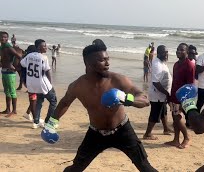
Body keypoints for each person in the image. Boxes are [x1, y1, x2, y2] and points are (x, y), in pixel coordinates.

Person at [41, 41, 157, 172]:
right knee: (75, 168)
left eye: (108, 59)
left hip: (123, 130)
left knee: (145, 167)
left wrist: (126, 99)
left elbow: (144, 99)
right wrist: (51, 123)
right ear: (88, 63)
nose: (108, 63)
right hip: (96, 134)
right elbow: (64, 103)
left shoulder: (117, 80)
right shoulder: (77, 86)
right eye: (102, 60)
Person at [20, 39, 57, 128]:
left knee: (39, 101)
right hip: (42, 84)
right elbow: (47, 71)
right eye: (44, 46)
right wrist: (50, 84)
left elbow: (22, 63)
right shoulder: (43, 57)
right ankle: (47, 121)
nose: (46, 47)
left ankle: (36, 122)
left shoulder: (29, 56)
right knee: (53, 101)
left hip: (32, 85)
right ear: (38, 47)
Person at [165, 43, 195, 149]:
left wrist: (184, 101)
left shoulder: (189, 65)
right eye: (178, 49)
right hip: (173, 95)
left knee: (178, 117)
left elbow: (191, 85)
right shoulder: (176, 64)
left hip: (182, 97)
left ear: (187, 52)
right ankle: (176, 139)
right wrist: (169, 95)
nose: (178, 51)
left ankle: (186, 137)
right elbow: (175, 82)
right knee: (174, 118)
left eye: (182, 50)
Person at [143, 45, 173, 140]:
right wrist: (166, 93)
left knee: (163, 111)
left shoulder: (162, 62)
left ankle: (166, 129)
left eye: (167, 52)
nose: (166, 54)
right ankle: (147, 134)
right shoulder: (157, 64)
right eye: (164, 52)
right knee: (155, 114)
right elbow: (156, 82)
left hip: (162, 94)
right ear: (158, 53)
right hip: (157, 94)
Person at [0, 31, 22, 117]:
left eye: (5, 37)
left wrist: (16, 68)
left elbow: (19, 56)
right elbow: (3, 58)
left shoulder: (8, 47)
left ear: (7, 38)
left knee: (12, 91)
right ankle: (8, 109)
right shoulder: (2, 47)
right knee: (7, 91)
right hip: (4, 71)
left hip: (10, 73)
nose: (3, 38)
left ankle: (14, 110)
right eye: (1, 37)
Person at [21, 45, 38, 121]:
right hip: (32, 82)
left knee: (34, 99)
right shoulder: (31, 59)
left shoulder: (25, 59)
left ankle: (27, 113)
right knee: (34, 100)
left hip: (29, 82)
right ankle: (35, 119)